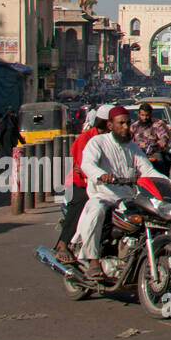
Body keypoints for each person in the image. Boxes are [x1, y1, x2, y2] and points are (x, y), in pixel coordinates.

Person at [70, 106, 171, 280]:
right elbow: (87, 165)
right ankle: (93, 261)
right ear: (110, 125)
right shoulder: (98, 143)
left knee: (152, 216)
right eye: (120, 123)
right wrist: (101, 175)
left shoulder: (132, 147)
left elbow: (147, 170)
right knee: (96, 210)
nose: (125, 127)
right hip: (103, 195)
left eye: (128, 123)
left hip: (128, 198)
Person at [55, 107, 110, 265]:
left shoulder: (116, 140)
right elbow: (82, 167)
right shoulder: (85, 139)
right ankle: (62, 244)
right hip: (78, 183)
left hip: (105, 185)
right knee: (84, 202)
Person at [131, 102, 171, 177]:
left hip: (153, 153)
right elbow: (128, 139)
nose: (145, 118)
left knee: (160, 162)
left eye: (147, 115)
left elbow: (163, 135)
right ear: (139, 115)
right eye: (142, 115)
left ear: (151, 115)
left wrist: (162, 141)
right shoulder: (134, 126)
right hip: (138, 154)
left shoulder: (156, 124)